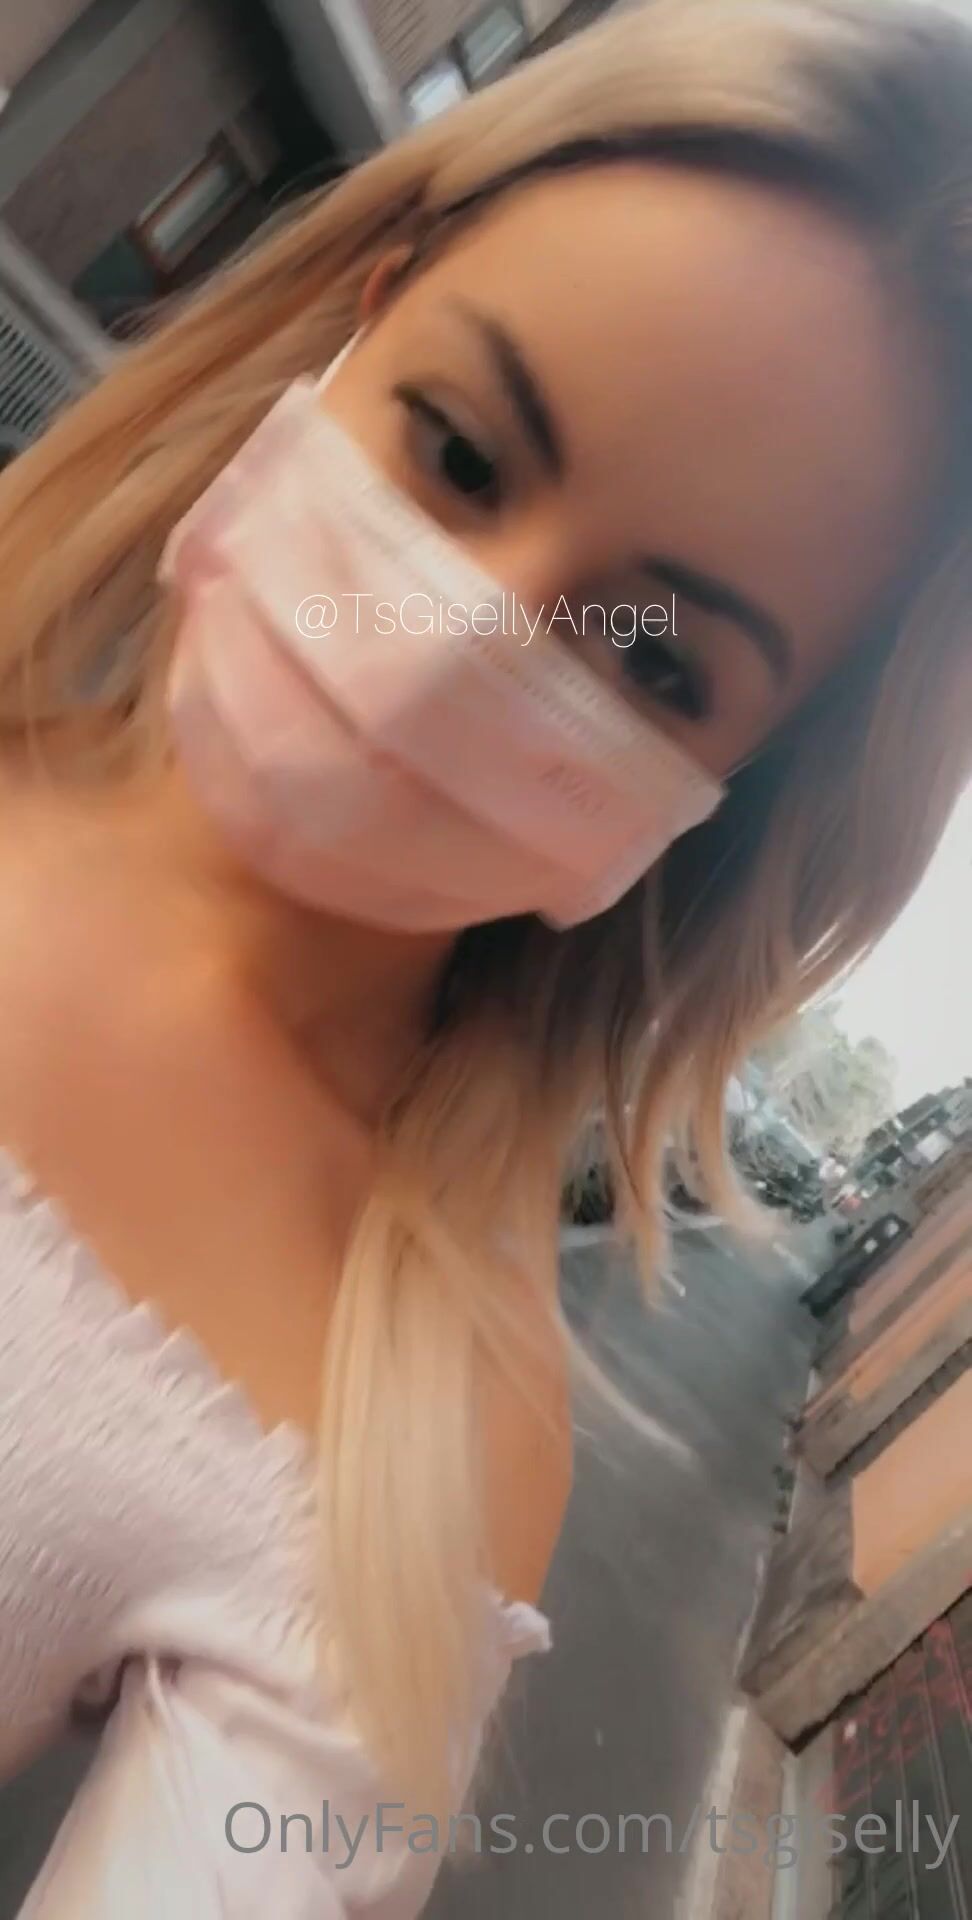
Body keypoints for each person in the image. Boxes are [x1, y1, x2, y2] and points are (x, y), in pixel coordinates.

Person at [0, 0, 971, 1909]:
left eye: (651, 657)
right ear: (364, 314)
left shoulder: (426, 1448)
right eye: (455, 451)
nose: (448, 639)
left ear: (734, 796)